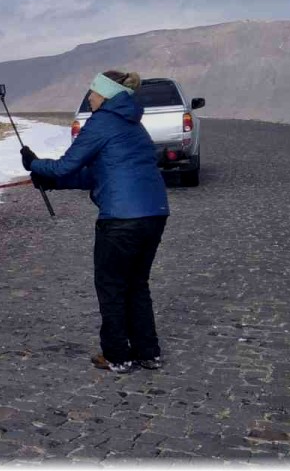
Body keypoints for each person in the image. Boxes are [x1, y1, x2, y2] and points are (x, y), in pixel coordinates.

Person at [24, 70, 170, 374]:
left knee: (112, 286)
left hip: (120, 219)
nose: (89, 97)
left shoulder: (101, 122)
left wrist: (34, 164)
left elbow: (66, 165)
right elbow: (97, 173)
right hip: (155, 213)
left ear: (105, 94)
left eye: (92, 91)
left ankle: (117, 355)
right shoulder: (134, 125)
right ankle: (148, 352)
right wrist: (50, 183)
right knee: (136, 285)